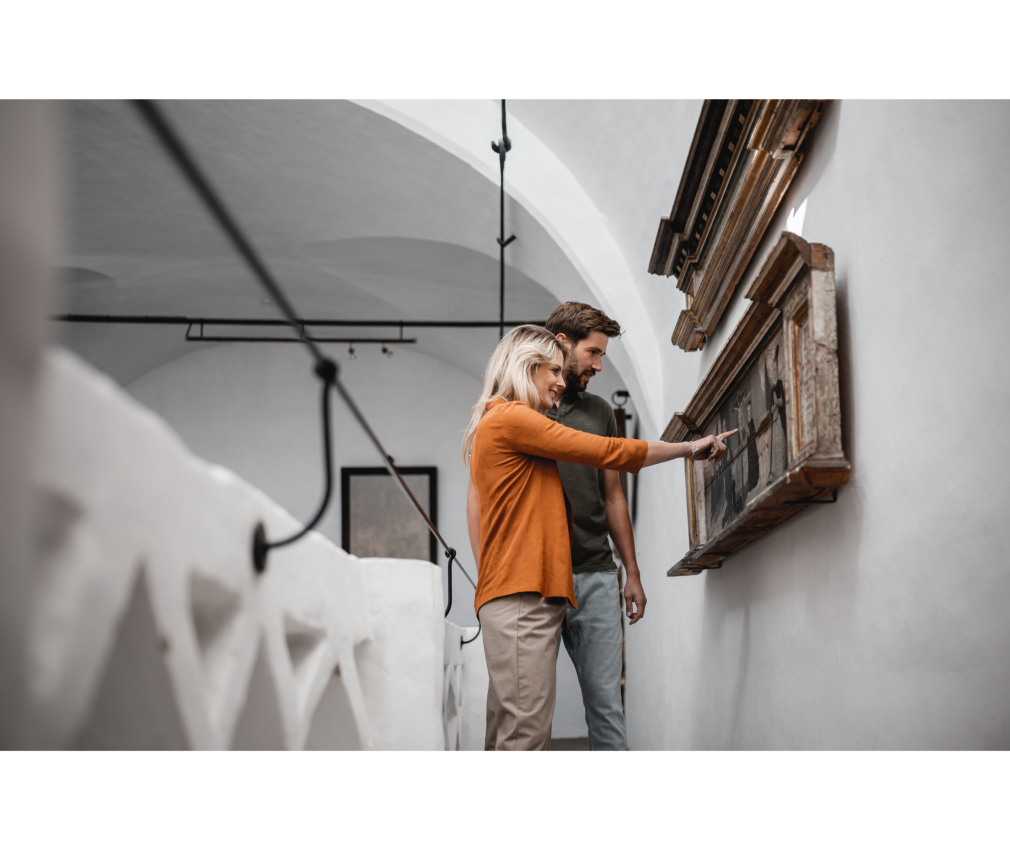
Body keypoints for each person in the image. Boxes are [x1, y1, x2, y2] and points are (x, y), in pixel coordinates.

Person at [463, 324, 734, 752]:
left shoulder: (499, 421)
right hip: (522, 595)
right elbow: (608, 452)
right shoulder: (512, 417)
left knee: (508, 732)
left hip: (521, 592)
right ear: (526, 367)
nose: (559, 380)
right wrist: (688, 448)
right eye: (552, 370)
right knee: (523, 736)